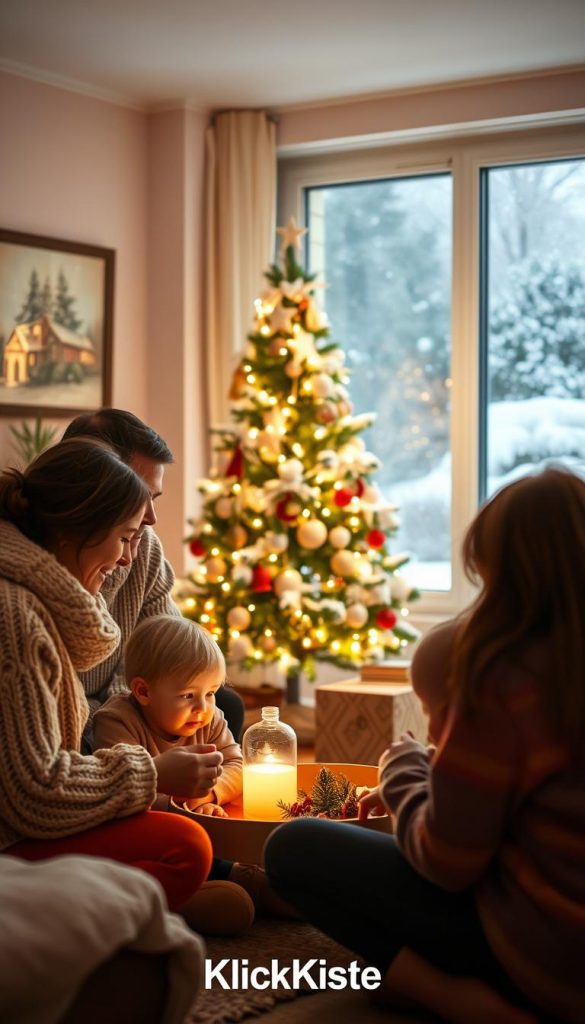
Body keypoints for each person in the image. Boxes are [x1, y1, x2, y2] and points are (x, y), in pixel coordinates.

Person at [265, 466, 585, 1024]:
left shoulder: (506, 681)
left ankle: (457, 1000)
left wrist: (406, 770)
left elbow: (447, 864)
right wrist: (447, 778)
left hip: (547, 959)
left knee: (293, 848)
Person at [0, 437, 216, 921]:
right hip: (12, 839)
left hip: (33, 818)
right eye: (123, 537)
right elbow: (35, 794)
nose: (126, 558)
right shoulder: (15, 615)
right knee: (186, 845)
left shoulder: (38, 600)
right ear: (71, 531)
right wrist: (154, 772)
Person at [94, 614, 296, 931]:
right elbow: (124, 795)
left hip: (201, 815)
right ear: (144, 692)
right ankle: (190, 893)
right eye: (188, 695)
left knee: (224, 826)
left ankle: (240, 877)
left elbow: (238, 763)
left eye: (212, 692)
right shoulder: (116, 723)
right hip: (155, 832)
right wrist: (186, 805)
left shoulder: (208, 716)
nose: (203, 707)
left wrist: (209, 794)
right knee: (144, 849)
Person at [62, 408, 244, 744]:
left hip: (131, 703)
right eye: (137, 496)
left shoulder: (144, 548)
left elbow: (169, 651)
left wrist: (138, 710)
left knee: (223, 705)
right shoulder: (57, 557)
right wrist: (117, 724)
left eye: (154, 497)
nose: (151, 517)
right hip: (79, 715)